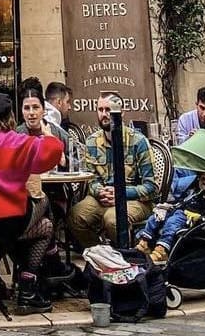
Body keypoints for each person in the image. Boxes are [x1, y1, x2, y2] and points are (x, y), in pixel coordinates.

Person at [0, 92, 63, 315]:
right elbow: (53, 153)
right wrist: (46, 132)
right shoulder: (16, 142)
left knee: (33, 220)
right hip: (5, 222)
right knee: (45, 216)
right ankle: (31, 284)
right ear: (10, 116)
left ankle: (37, 276)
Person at [67, 94, 158, 247]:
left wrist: (120, 193)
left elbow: (151, 188)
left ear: (121, 112)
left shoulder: (139, 141)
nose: (104, 114)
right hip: (103, 197)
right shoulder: (91, 141)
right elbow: (91, 178)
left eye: (108, 109)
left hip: (135, 200)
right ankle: (102, 254)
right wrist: (99, 191)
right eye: (100, 109)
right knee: (75, 216)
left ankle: (127, 257)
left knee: (114, 219)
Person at [134, 171, 205, 264]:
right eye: (203, 179)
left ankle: (161, 251)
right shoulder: (193, 189)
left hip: (190, 216)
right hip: (178, 209)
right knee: (155, 217)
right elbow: (180, 200)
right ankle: (144, 243)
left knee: (172, 222)